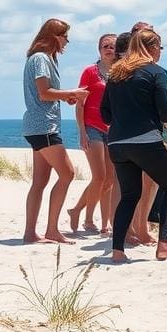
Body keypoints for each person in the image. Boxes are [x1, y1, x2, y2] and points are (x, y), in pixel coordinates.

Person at [101, 29, 167, 261]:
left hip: (117, 143)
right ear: (152, 48)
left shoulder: (116, 73)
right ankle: (164, 245)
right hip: (146, 140)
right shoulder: (155, 72)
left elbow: (105, 114)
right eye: (159, 47)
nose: (160, 52)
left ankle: (117, 250)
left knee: (129, 194)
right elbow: (166, 112)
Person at [21, 19, 89, 244]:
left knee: (40, 182)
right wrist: (73, 93)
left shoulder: (46, 58)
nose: (66, 41)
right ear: (54, 36)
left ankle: (30, 233)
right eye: (64, 36)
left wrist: (66, 96)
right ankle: (51, 229)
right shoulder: (41, 58)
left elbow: (48, 94)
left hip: (37, 126)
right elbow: (44, 93)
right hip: (44, 127)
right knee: (67, 173)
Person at [67, 33, 117, 234]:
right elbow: (80, 103)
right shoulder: (90, 72)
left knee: (110, 179)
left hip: (112, 128)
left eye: (112, 46)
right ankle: (83, 215)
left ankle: (102, 222)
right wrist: (81, 132)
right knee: (99, 176)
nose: (109, 49)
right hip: (92, 127)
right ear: (99, 49)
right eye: (105, 46)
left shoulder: (118, 73)